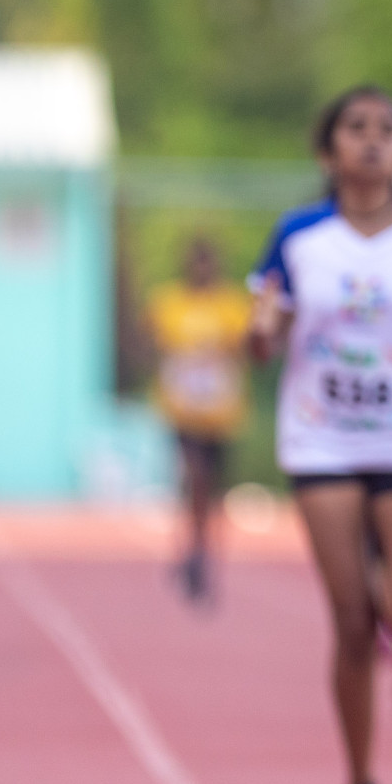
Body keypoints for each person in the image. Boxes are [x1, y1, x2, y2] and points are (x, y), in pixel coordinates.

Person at [248, 87, 392, 784]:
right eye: (356, 129)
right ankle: (361, 782)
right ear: (328, 151)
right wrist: (262, 329)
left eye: (388, 130)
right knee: (353, 624)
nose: (373, 141)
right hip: (322, 443)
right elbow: (260, 341)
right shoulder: (298, 237)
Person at [146, 235, 253, 604]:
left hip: (221, 413)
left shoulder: (232, 304)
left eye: (209, 265)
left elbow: (245, 347)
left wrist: (220, 350)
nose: (203, 271)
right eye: (197, 264)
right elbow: (155, 345)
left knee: (213, 490)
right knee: (194, 480)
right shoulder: (169, 302)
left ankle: (205, 551)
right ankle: (192, 550)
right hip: (182, 410)